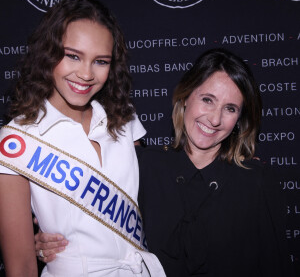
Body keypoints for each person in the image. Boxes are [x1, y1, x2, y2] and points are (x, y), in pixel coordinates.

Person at [34, 49, 294, 276]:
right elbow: (93, 236)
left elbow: (275, 267)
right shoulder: (141, 168)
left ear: (240, 119)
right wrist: (51, 241)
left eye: (230, 108)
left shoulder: (256, 181)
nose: (215, 119)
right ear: (185, 97)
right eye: (207, 100)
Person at [0, 0, 165, 277]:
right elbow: (21, 266)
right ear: (48, 53)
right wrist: (36, 247)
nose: (86, 74)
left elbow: (157, 200)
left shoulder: (124, 119)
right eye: (73, 56)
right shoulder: (17, 140)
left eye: (100, 61)